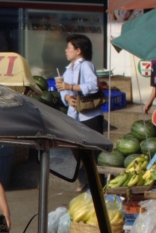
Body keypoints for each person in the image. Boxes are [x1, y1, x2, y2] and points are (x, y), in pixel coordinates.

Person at [56, 34, 103, 192]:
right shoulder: (68, 69)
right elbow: (64, 91)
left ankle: (97, 185)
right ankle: (85, 180)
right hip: (73, 116)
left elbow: (93, 86)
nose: (66, 50)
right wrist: (67, 97)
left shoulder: (86, 65)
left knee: (93, 152)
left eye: (69, 47)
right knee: (76, 150)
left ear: (78, 50)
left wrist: (70, 86)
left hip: (89, 116)